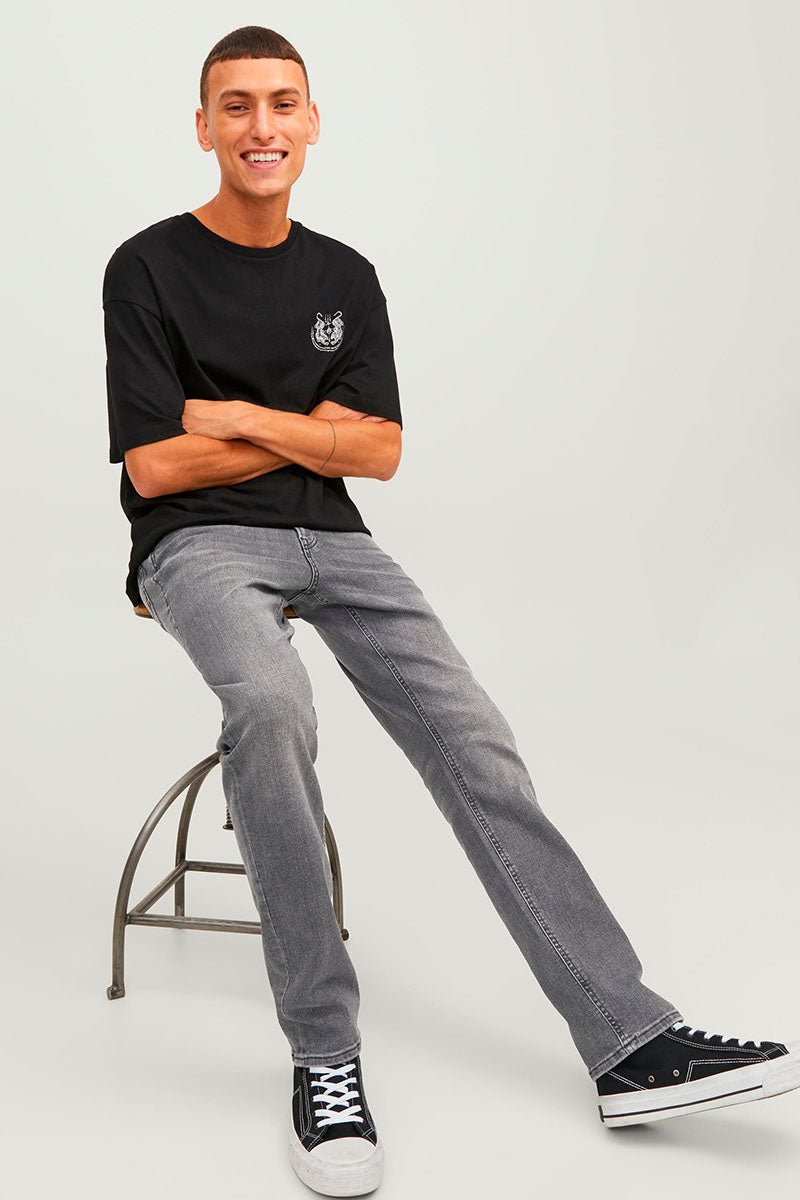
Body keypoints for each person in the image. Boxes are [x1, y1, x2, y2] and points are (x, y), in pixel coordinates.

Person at [103, 24, 799, 1198]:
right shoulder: (146, 267)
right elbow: (155, 467)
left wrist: (240, 417)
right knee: (270, 708)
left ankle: (625, 1041)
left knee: (475, 741)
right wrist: (308, 434)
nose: (262, 125)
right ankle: (323, 1057)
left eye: (283, 102)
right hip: (197, 546)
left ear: (312, 122)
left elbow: (378, 452)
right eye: (237, 105)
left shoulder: (343, 278)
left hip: (336, 542)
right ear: (204, 126)